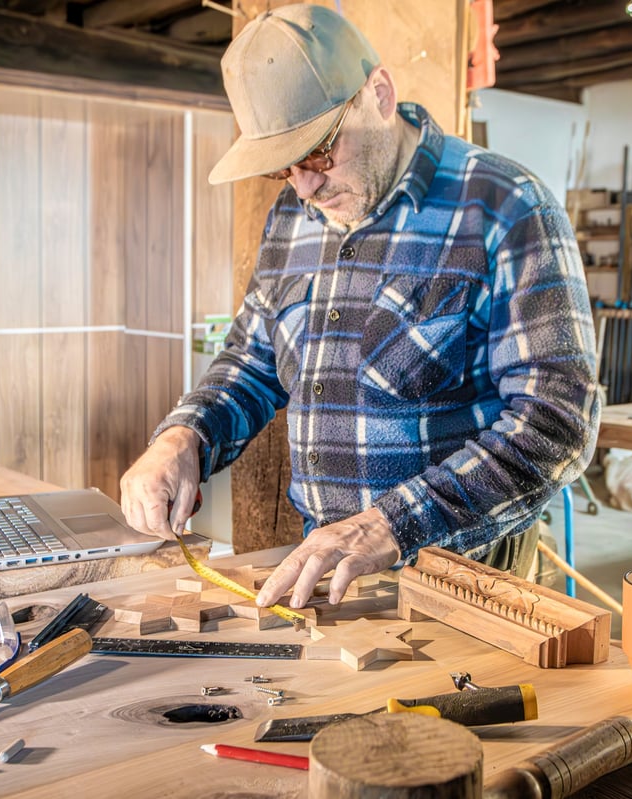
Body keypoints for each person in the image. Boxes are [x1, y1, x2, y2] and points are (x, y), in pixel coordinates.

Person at [119, 3, 600, 611]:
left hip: (465, 579)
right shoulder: (295, 217)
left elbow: (556, 425)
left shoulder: (506, 208)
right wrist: (183, 437)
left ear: (379, 93)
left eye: (319, 152)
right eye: (281, 170)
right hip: (326, 569)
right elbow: (253, 358)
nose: (304, 187)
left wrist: (389, 525)